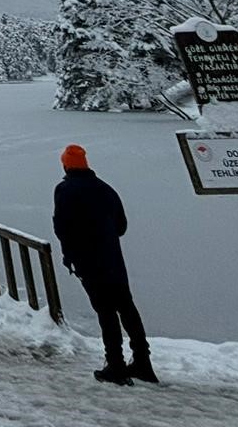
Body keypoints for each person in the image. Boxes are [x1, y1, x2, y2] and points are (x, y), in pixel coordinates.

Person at [53, 144, 156, 386]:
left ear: (66, 165)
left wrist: (71, 255)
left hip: (88, 260)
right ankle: (142, 361)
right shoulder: (105, 189)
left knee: (105, 312)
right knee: (126, 308)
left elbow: (62, 227)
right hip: (112, 259)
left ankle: (115, 366)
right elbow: (121, 226)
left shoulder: (65, 190)